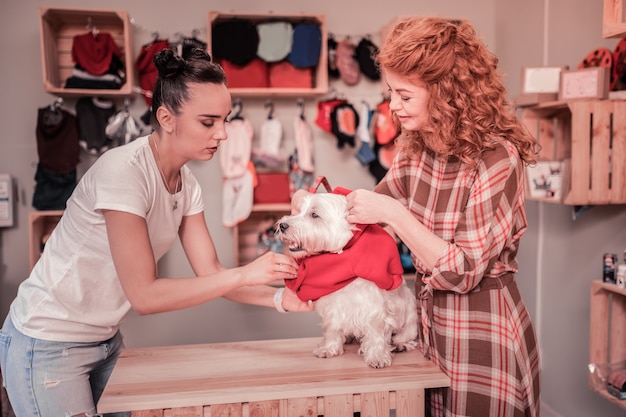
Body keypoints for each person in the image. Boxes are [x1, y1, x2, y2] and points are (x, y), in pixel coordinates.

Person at [0, 48, 312, 417]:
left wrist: (280, 299)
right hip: (49, 340)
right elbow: (145, 295)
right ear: (166, 117)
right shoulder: (124, 172)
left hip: (105, 341)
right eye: (208, 122)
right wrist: (246, 271)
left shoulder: (187, 183)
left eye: (225, 120)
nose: (223, 133)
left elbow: (212, 274)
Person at [298, 17, 541, 417]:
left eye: (405, 96)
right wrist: (311, 214)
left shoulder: (497, 159)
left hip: (482, 334)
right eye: (391, 92)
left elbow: (463, 271)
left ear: (447, 94)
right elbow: (360, 221)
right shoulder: (417, 149)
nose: (393, 106)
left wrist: (395, 214)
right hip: (429, 331)